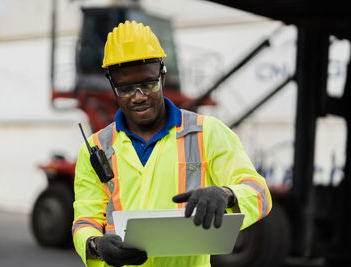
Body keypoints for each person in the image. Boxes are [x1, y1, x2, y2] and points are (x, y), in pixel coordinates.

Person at [72, 20, 272, 267]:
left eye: (148, 84)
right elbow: (85, 220)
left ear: (162, 76)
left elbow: (260, 192)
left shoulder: (207, 133)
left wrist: (227, 195)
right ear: (112, 85)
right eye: (126, 89)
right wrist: (96, 245)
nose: (139, 97)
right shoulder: (96, 148)